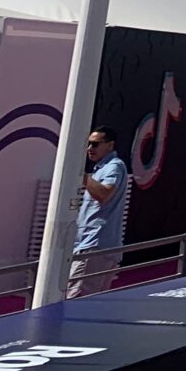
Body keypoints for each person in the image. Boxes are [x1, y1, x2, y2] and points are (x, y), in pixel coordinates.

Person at [68, 125, 130, 299]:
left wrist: (81, 174)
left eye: (95, 144)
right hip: (97, 244)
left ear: (110, 145)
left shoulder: (114, 166)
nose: (90, 148)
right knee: (93, 300)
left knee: (76, 298)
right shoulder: (103, 168)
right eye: (88, 144)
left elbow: (104, 194)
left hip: (95, 244)